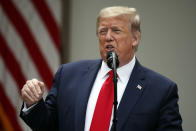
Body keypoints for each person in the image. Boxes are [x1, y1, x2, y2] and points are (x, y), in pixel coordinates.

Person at [20, 6, 183, 131]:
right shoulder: (68, 75)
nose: (108, 37)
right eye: (103, 31)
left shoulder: (161, 90)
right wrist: (33, 104)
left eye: (116, 30)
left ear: (135, 38)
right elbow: (48, 126)